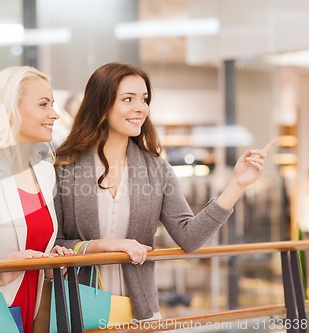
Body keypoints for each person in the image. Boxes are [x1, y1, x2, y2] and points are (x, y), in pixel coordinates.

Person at [53, 62, 276, 321]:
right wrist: (105, 246)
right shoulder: (64, 166)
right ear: (101, 106)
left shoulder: (156, 168)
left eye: (144, 99)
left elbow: (189, 238)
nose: (140, 108)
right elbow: (54, 244)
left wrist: (236, 184)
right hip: (79, 308)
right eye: (128, 99)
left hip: (140, 312)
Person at [0, 66, 73, 333]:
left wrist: (49, 258)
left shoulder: (44, 172)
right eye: (43, 105)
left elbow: (32, 238)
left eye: (52, 104)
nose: (54, 114)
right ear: (10, 110)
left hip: (33, 312)